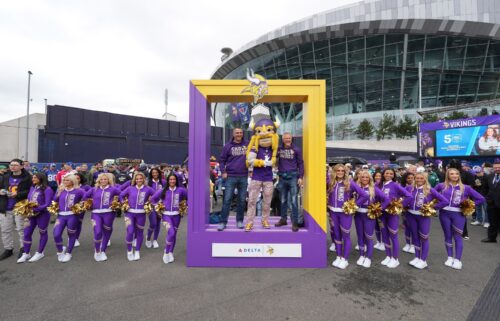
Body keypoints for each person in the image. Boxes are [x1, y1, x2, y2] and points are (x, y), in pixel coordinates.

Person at [435, 168, 485, 269]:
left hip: (459, 215)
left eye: (456, 174)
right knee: (447, 236)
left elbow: (481, 198)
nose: (454, 176)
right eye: (452, 174)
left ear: (459, 175)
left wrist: (470, 205)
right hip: (444, 214)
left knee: (458, 237)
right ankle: (449, 257)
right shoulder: (441, 185)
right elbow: (430, 195)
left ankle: (458, 260)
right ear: (448, 175)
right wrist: (434, 206)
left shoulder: (466, 187)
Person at [328, 164, 368, 269]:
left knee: (345, 236)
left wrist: (354, 205)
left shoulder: (350, 183)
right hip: (333, 212)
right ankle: (338, 256)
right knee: (336, 235)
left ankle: (345, 259)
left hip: (345, 213)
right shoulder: (330, 182)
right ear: (334, 171)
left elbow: (364, 195)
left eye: (342, 171)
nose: (340, 172)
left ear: (345, 172)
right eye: (338, 170)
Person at [405, 172, 447, 269]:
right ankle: (417, 257)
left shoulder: (430, 190)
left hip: (423, 217)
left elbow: (445, 201)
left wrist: (433, 208)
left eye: (421, 178)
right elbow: (401, 197)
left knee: (424, 237)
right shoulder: (409, 188)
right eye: (417, 178)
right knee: (415, 237)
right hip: (411, 215)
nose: (419, 180)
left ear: (425, 179)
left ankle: (423, 260)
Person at [377, 168, 412, 268]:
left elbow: (409, 196)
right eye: (386, 173)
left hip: (392, 214)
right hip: (381, 214)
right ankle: (388, 256)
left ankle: (395, 259)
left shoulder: (395, 185)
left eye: (391, 173)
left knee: (393, 236)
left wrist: (399, 206)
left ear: (393, 175)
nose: (388, 175)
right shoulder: (378, 185)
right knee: (385, 235)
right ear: (383, 174)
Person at [17, 173, 54, 263]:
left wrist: (36, 209)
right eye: (32, 177)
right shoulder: (32, 188)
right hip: (31, 215)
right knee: (26, 233)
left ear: (41, 178)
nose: (33, 179)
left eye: (35, 177)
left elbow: (48, 204)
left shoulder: (47, 189)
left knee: (42, 232)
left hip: (43, 215)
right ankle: (26, 253)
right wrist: (25, 208)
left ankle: (40, 252)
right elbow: (29, 201)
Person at [83, 173, 120, 262]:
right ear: (98, 180)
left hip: (109, 213)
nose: (103, 181)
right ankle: (97, 250)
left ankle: (103, 250)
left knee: (107, 231)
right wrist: (89, 204)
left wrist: (117, 203)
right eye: (101, 179)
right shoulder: (94, 189)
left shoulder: (113, 189)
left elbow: (122, 195)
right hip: (96, 213)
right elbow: (85, 197)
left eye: (105, 179)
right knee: (98, 231)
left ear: (109, 180)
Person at [0, 159, 32, 260]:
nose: (13, 167)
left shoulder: (28, 178)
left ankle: (24, 248)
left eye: (15, 165)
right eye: (11, 165)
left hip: (20, 206)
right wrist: (0, 191)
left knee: (21, 229)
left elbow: (31, 191)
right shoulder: (5, 177)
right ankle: (8, 249)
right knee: (5, 230)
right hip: (6, 207)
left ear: (21, 166)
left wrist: (18, 194)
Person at [151, 174, 187, 264]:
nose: (172, 181)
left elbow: (189, 199)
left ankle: (171, 252)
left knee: (174, 235)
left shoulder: (181, 190)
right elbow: (152, 199)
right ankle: (166, 252)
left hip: (177, 215)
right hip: (166, 215)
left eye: (174, 179)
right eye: (170, 179)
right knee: (171, 232)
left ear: (176, 180)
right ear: (167, 181)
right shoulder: (162, 190)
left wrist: (185, 206)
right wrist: (157, 207)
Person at [354, 170, 387, 268]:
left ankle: (368, 257)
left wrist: (379, 208)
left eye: (367, 177)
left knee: (368, 237)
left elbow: (386, 199)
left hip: (369, 216)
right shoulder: (356, 188)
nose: (364, 179)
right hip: (358, 215)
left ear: (370, 179)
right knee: (360, 236)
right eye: (362, 177)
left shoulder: (374, 189)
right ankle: (361, 255)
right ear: (359, 178)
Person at [120, 172, 155, 261]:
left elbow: (156, 196)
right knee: (130, 231)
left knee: (139, 233)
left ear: (144, 179)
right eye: (137, 179)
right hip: (129, 213)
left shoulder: (148, 189)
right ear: (134, 180)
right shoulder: (130, 188)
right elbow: (121, 195)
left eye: (141, 178)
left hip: (141, 214)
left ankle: (137, 251)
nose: (139, 180)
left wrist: (151, 202)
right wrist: (123, 202)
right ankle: (129, 251)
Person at [218, 128, 248, 231]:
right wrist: (223, 172)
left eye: (240, 132)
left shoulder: (247, 144)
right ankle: (223, 222)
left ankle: (239, 221)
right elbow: (221, 160)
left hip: (244, 176)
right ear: (233, 134)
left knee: (242, 201)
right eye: (237, 133)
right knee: (227, 200)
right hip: (230, 176)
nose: (239, 134)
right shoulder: (228, 146)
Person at [275, 133, 304, 232]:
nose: (287, 140)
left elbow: (300, 163)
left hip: (293, 177)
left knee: (294, 201)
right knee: (282, 200)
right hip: (282, 176)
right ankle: (283, 219)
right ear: (282, 139)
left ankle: (295, 222)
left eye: (289, 138)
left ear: (291, 139)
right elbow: (274, 159)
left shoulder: (296, 149)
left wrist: (301, 177)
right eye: (286, 138)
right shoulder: (278, 149)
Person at [52, 174, 85, 263]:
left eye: (67, 180)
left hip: (72, 216)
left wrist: (80, 206)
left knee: (71, 234)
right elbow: (54, 200)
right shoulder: (61, 190)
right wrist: (59, 192)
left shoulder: (79, 191)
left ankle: (69, 253)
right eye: (64, 180)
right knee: (56, 234)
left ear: (72, 181)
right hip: (61, 215)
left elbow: (86, 199)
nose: (65, 182)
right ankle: (60, 250)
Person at [146, 167, 165, 248]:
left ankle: (155, 240)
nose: (155, 174)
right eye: (153, 173)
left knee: (158, 224)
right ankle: (148, 238)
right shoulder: (148, 183)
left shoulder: (163, 182)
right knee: (153, 223)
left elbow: (166, 192)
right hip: (151, 205)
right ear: (151, 174)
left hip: (160, 206)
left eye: (156, 173)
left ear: (159, 173)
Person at [481, 161, 500, 243]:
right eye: (495, 167)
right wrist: (487, 198)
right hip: (491, 203)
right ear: (493, 168)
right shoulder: (489, 176)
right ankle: (491, 238)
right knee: (492, 221)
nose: (497, 169)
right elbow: (485, 188)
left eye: (499, 167)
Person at [401, 172, 416, 254]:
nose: (410, 179)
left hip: (414, 211)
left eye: (412, 177)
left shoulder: (416, 187)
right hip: (405, 210)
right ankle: (407, 243)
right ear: (405, 179)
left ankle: (413, 245)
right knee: (406, 227)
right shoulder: (403, 187)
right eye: (408, 178)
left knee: (413, 228)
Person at [371, 171, 385, 252]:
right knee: (376, 226)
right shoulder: (373, 185)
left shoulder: (383, 185)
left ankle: (383, 242)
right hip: (373, 208)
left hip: (381, 208)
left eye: (379, 176)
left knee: (381, 225)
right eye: (376, 176)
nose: (378, 177)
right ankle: (379, 241)